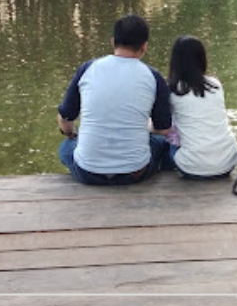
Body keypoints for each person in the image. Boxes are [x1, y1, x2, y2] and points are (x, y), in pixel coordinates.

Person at [57, 14, 173, 185]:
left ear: (113, 42)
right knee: (163, 143)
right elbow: (164, 129)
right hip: (135, 173)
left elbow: (65, 119)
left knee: (66, 148)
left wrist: (70, 134)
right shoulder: (153, 77)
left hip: (88, 172)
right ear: (144, 46)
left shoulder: (88, 69)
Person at [165, 36, 237, 179]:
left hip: (191, 167)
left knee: (162, 140)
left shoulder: (172, 90)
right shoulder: (215, 85)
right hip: (227, 163)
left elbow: (163, 126)